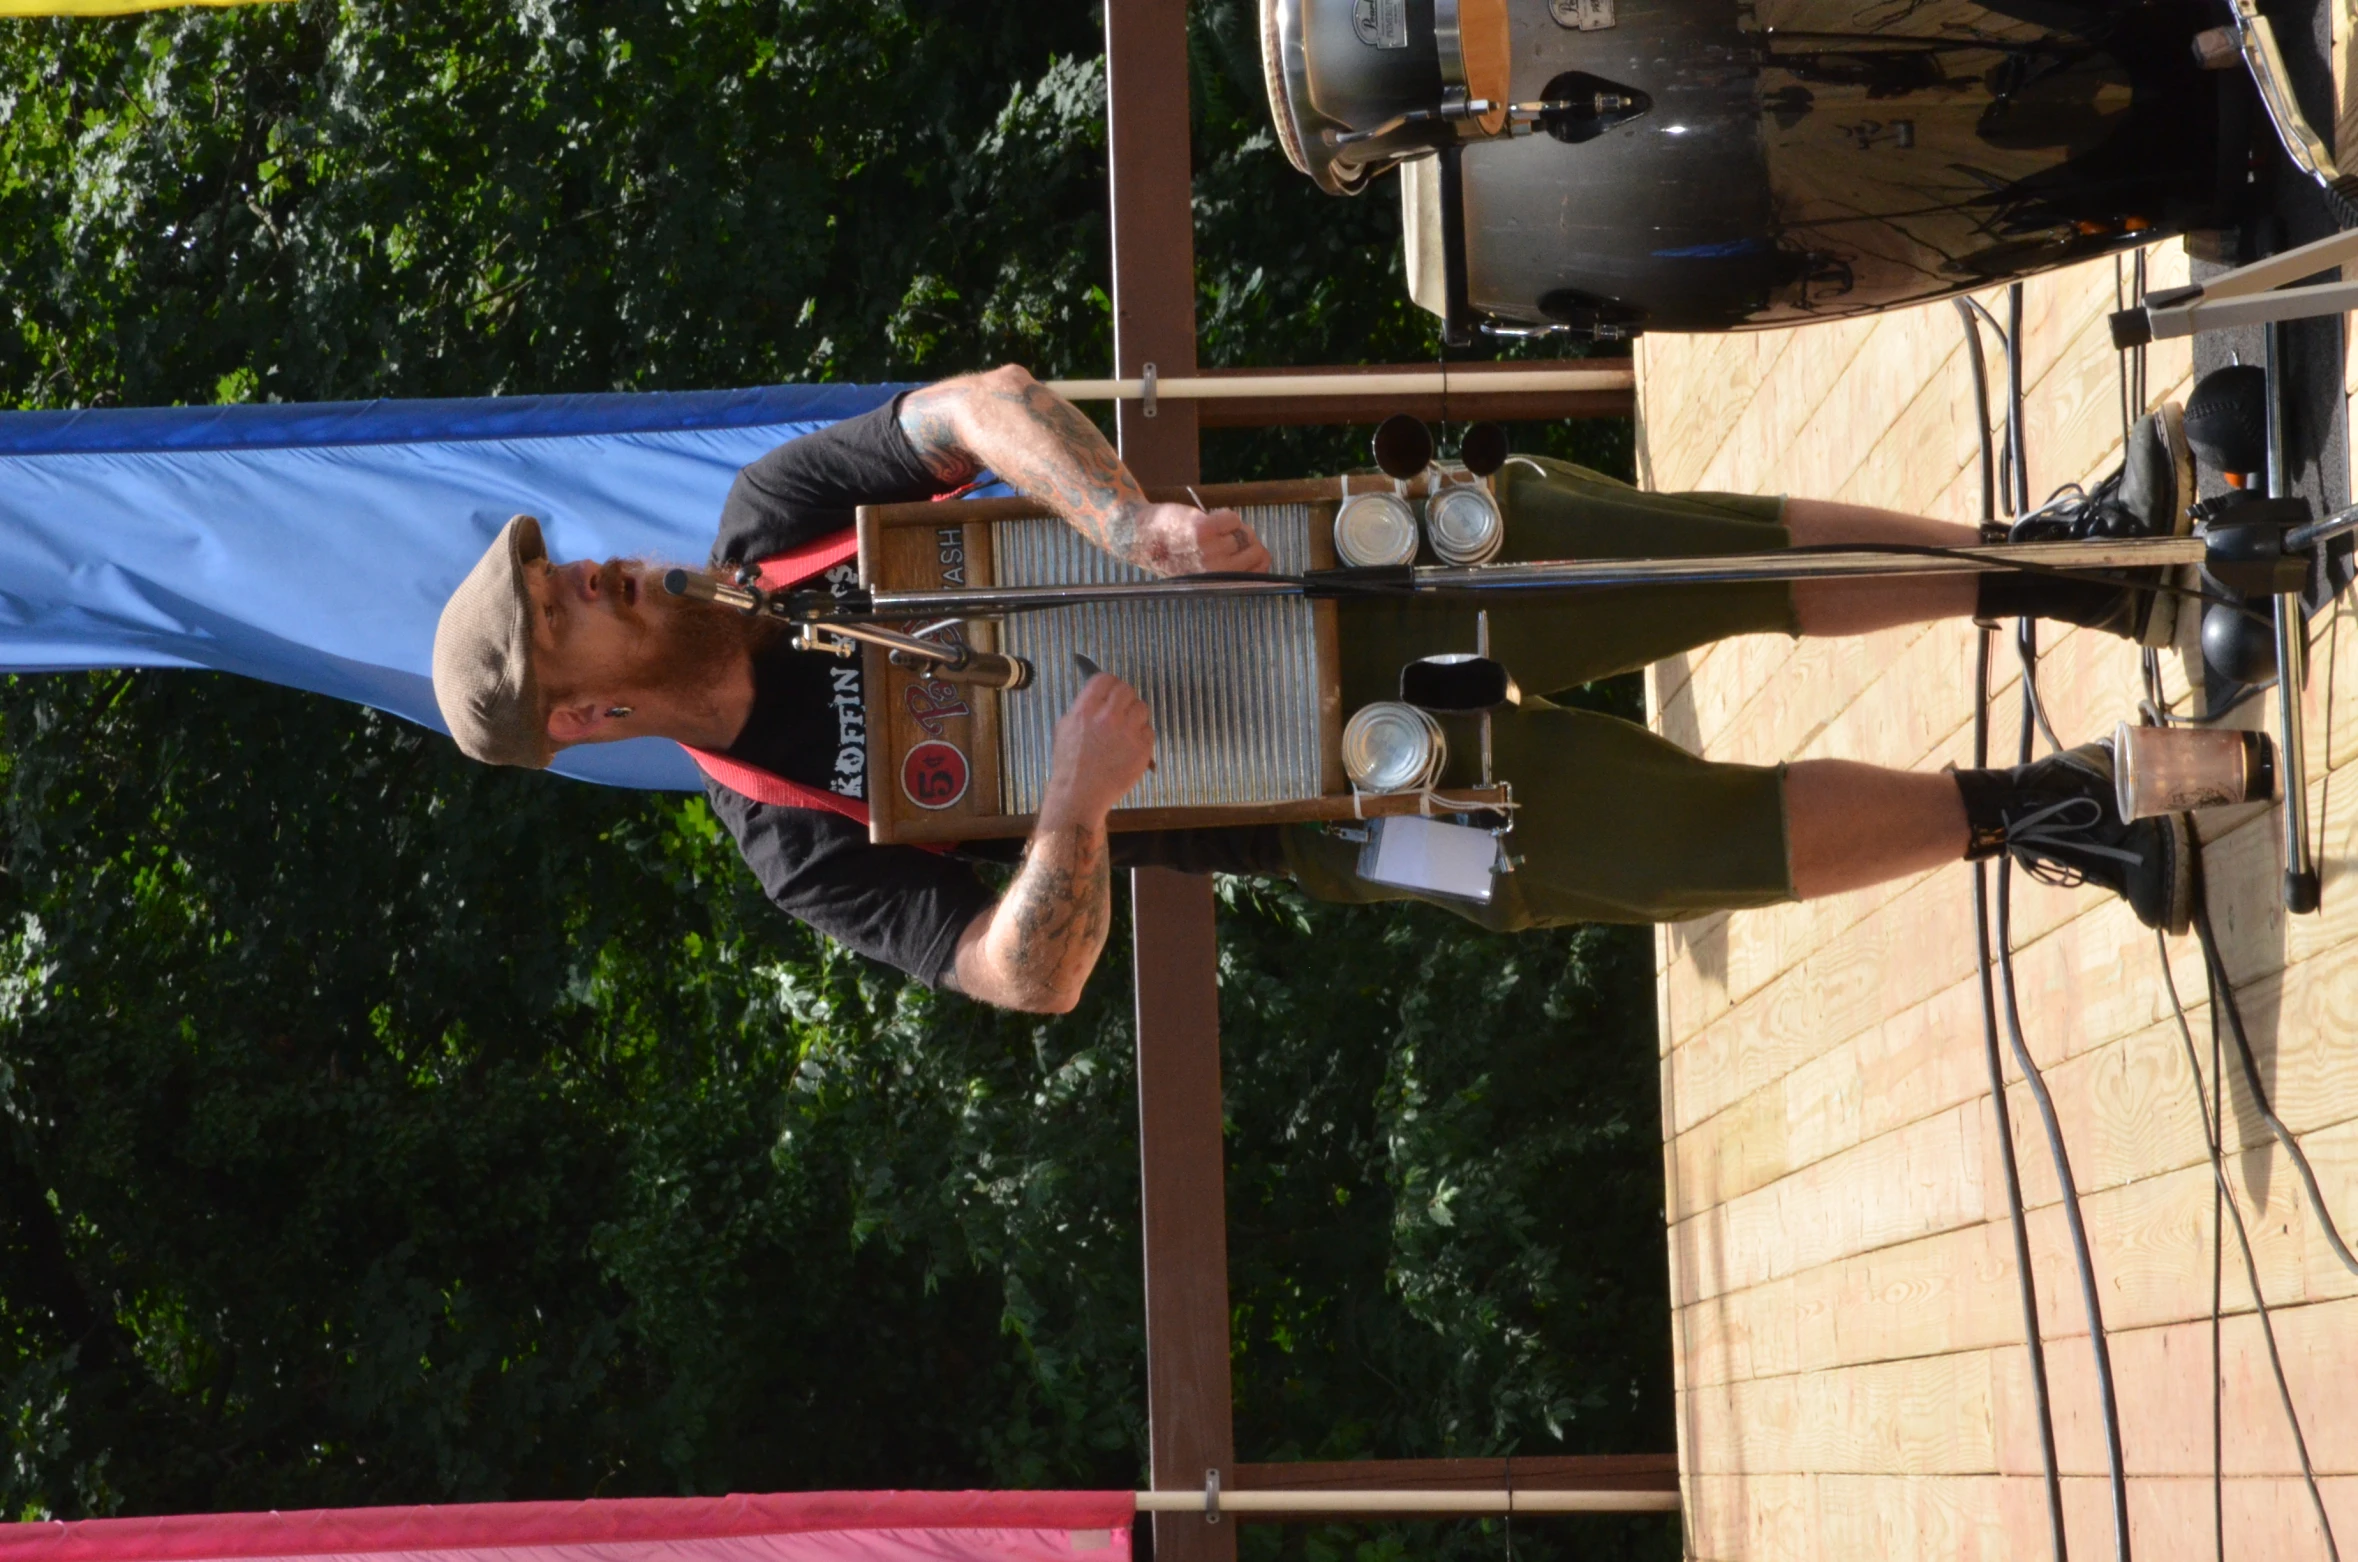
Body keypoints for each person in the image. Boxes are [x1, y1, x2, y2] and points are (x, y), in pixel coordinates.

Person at [432, 365, 2196, 1013]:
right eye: (554, 610)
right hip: (1320, 797)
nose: (582, 572)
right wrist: (1070, 806)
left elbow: (975, 403)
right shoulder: (790, 847)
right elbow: (1011, 977)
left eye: (554, 561)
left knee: (1685, 552)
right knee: (1671, 849)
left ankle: (2061, 567)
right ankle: (2037, 814)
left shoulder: (777, 524)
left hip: (1322, 566)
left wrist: (1121, 520)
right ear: (583, 715)